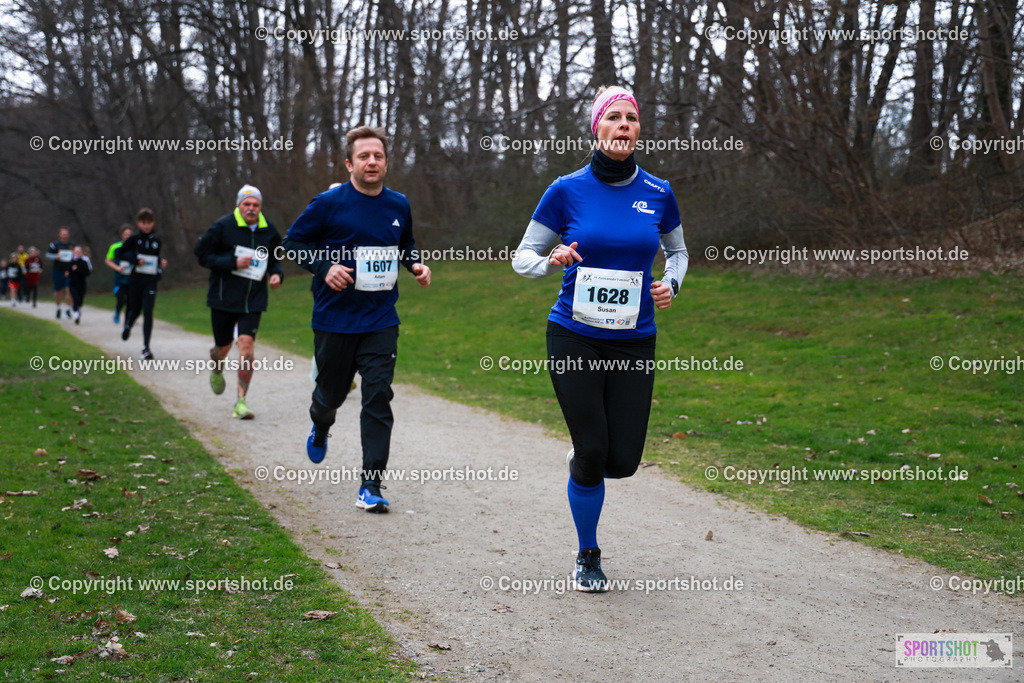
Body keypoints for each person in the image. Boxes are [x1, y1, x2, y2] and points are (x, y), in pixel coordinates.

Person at [512, 86, 689, 592]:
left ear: (638, 130)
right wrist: (551, 260)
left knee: (623, 461)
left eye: (631, 118)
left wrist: (670, 283)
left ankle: (582, 463)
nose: (624, 125)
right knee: (592, 449)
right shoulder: (566, 189)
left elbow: (677, 253)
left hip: (634, 339)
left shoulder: (659, 192)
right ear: (596, 128)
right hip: (574, 335)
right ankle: (588, 554)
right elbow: (522, 256)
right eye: (613, 117)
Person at [283, 125, 431, 513]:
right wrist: (323, 267)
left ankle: (371, 484)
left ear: (386, 162)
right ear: (350, 163)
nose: (371, 162)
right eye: (364, 156)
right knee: (330, 395)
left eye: (378, 156)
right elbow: (292, 242)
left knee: (378, 396)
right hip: (335, 320)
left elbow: (405, 243)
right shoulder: (329, 203)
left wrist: (415, 263)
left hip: (381, 319)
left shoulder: (398, 204)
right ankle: (321, 423)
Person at [194, 184, 284, 419]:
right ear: (239, 205)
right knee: (222, 348)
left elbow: (276, 258)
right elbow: (201, 254)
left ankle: (241, 401)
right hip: (224, 298)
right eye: (247, 204)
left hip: (253, 300)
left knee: (246, 345)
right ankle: (217, 366)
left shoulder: (269, 230)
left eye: (255, 204)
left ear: (260, 207)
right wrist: (232, 263)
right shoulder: (223, 227)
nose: (251, 208)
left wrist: (277, 274)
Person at [117, 208, 167, 359]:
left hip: (150, 281)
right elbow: (120, 253)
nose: (146, 226)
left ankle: (146, 348)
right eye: (144, 223)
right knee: (135, 309)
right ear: (139, 223)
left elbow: (155, 258)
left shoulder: (157, 241)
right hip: (136, 280)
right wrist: (135, 260)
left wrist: (160, 263)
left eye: (149, 223)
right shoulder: (134, 239)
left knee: (148, 311)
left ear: (153, 223)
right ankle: (129, 325)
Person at [104, 225, 135, 324]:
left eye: (129, 234)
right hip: (120, 279)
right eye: (125, 234)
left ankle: (128, 320)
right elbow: (108, 260)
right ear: (122, 235)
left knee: (131, 301)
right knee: (121, 299)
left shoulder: (135, 247)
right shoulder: (115, 247)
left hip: (132, 279)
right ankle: (117, 311)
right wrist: (117, 268)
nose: (127, 236)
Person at [46, 227, 76, 318]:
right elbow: (47, 255)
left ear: (68, 235)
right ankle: (58, 308)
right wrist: (56, 256)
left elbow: (76, 255)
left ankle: (68, 309)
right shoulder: (55, 245)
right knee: (58, 291)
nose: (64, 236)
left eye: (66, 234)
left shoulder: (72, 245)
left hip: (69, 271)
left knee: (69, 290)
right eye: (63, 234)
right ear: (59, 235)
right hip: (58, 271)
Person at [65, 246, 93, 324]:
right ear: (74, 252)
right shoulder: (70, 262)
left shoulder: (84, 262)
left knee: (80, 300)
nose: (77, 253)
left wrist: (77, 269)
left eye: (79, 251)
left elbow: (87, 273)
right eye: (76, 251)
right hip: (73, 284)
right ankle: (76, 315)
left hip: (81, 284)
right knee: (75, 298)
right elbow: (67, 271)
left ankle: (78, 309)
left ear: (81, 253)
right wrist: (67, 272)